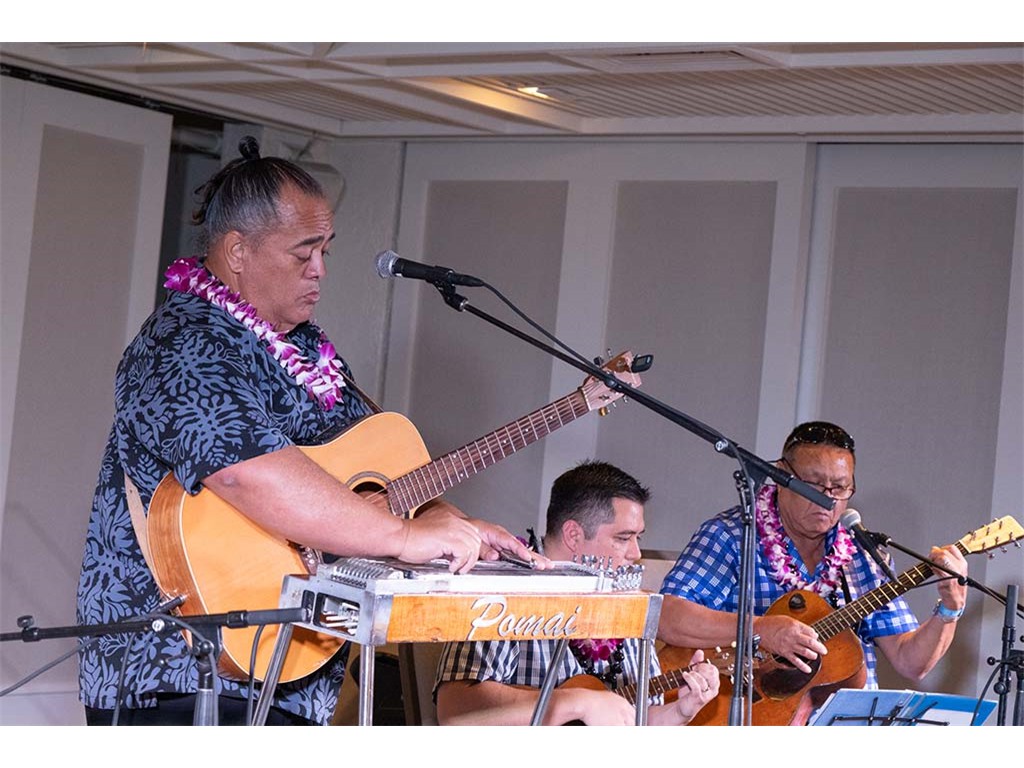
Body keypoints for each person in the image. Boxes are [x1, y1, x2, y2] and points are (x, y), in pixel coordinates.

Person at [75, 137, 539, 726]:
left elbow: (370, 476)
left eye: (325, 250)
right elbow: (245, 471)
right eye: (303, 252)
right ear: (237, 250)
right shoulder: (183, 342)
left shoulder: (308, 350)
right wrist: (402, 537)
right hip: (181, 670)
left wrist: (450, 523)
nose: (320, 269)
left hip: (291, 668)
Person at [658, 420, 968, 721]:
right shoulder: (733, 535)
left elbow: (911, 661)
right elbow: (666, 617)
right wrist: (761, 629)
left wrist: (949, 609)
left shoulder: (863, 555)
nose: (827, 498)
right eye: (814, 485)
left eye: (840, 487)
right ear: (781, 476)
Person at [434, 460, 720, 725]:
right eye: (623, 538)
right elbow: (454, 708)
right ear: (573, 535)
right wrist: (574, 703)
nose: (635, 553)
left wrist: (680, 711)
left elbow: (633, 720)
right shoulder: (505, 590)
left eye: (638, 538)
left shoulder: (626, 599)